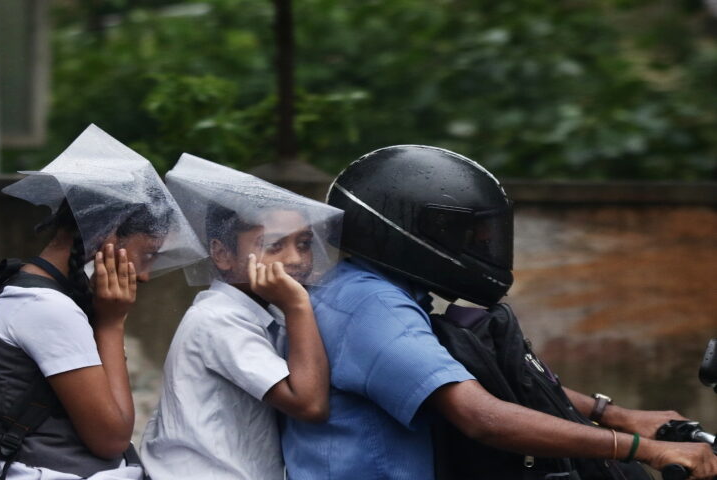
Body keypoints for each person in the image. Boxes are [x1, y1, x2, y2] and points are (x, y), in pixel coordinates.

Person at [280, 145, 717, 480]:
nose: (482, 249)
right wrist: (639, 447)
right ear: (409, 232)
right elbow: (482, 416)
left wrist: (611, 413)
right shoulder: (372, 306)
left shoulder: (363, 288)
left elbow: (480, 378)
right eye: (469, 235)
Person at [0, 125, 206, 480]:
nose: (145, 275)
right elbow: (112, 438)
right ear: (108, 234)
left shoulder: (38, 293)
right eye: (147, 255)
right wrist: (112, 323)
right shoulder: (46, 308)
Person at [139, 154, 343, 480]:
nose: (295, 259)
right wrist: (298, 307)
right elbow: (309, 405)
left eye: (304, 244)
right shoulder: (218, 319)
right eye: (274, 245)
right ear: (222, 254)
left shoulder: (262, 312)